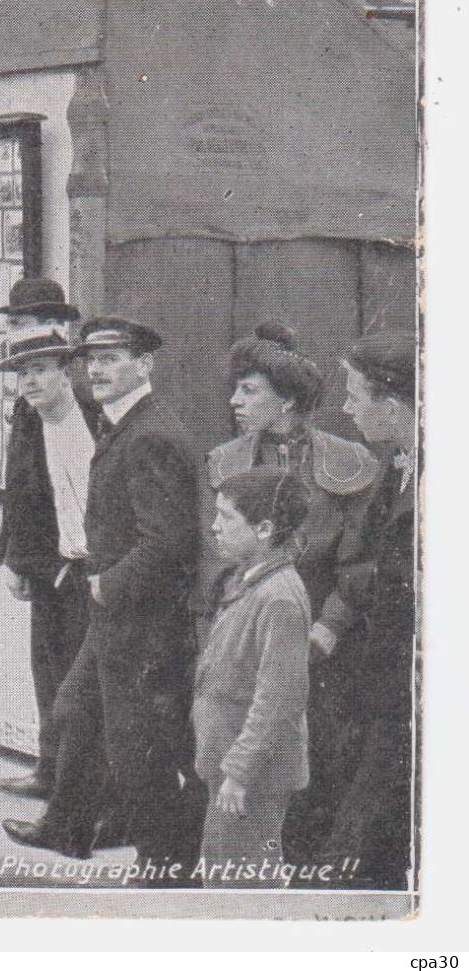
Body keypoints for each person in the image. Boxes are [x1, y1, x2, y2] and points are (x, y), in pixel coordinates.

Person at [4, 317, 203, 875]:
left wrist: (106, 581)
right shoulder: (123, 425)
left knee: (139, 746)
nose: (97, 369)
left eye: (112, 359)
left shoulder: (152, 433)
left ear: (145, 365)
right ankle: (69, 829)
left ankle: (166, 861)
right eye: (92, 359)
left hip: (140, 618)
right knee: (74, 710)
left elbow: (167, 540)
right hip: (112, 612)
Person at [200, 323, 380, 862]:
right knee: (239, 778)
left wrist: (326, 630)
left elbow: (361, 561)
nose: (234, 401)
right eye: (235, 388)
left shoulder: (348, 462)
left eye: (249, 390)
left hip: (326, 646)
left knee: (311, 769)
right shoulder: (225, 461)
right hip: (245, 642)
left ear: (288, 401)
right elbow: (215, 564)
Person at [0, 285, 103, 803]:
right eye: (15, 325)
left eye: (32, 323)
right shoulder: (28, 410)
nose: (22, 336)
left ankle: (79, 785)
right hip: (45, 561)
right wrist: (13, 556)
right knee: (47, 669)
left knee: (83, 679)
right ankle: (51, 768)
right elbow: (21, 487)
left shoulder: (89, 409)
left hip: (89, 565)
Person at [319, 330, 417, 890]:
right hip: (378, 673)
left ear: (395, 403)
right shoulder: (394, 465)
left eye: (356, 395)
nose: (347, 407)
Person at [193, 469, 313, 888]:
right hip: (231, 766)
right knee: (225, 879)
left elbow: (279, 701)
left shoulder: (277, 598)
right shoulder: (252, 584)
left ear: (264, 529)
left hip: (251, 777)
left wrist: (240, 772)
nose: (214, 526)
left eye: (227, 518)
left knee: (240, 890)